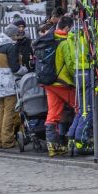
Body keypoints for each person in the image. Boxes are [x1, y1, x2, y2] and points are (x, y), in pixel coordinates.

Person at [37, 15, 77, 157]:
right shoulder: (64, 41)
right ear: (67, 28)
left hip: (48, 82)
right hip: (62, 82)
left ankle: (53, 147)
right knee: (81, 108)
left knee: (52, 114)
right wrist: (77, 77)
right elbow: (70, 64)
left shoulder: (48, 38)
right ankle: (77, 141)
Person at [0, 24, 27, 149]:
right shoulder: (11, 47)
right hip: (9, 84)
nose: (18, 38)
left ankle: (0, 140)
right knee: (9, 112)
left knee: (1, 111)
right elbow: (15, 68)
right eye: (17, 35)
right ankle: (7, 140)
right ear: (13, 35)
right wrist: (25, 70)